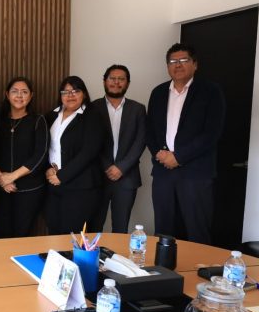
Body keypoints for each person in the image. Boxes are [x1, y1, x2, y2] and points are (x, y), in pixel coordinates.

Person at [146, 43, 225, 244]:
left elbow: (211, 133)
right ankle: (164, 264)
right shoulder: (158, 92)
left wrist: (179, 157)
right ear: (167, 66)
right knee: (163, 230)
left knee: (197, 229)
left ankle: (200, 264)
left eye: (183, 60)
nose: (178, 65)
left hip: (195, 174)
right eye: (173, 61)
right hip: (163, 172)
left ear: (195, 64)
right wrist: (159, 153)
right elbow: (150, 130)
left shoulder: (210, 91)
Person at [0, 76, 49, 238]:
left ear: (31, 96)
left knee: (21, 236)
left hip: (29, 190)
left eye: (24, 92)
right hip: (0, 187)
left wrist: (12, 176)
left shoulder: (38, 120)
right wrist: (1, 178)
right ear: (7, 94)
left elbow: (41, 154)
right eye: (14, 91)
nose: (19, 95)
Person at [90, 65, 146, 233]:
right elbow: (90, 144)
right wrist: (107, 166)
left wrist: (121, 167)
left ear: (127, 83)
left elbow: (141, 141)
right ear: (104, 81)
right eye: (112, 78)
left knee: (121, 228)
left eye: (121, 79)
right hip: (98, 176)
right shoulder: (92, 108)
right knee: (94, 226)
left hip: (127, 177)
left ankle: (117, 253)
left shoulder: (138, 109)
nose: (116, 82)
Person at [45, 76, 104, 234]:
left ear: (84, 94)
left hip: (80, 186)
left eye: (75, 91)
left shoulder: (93, 115)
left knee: (71, 235)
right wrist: (48, 169)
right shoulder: (51, 115)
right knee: (53, 230)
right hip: (53, 183)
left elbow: (89, 151)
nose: (70, 95)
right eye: (65, 92)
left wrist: (62, 176)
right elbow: (45, 147)